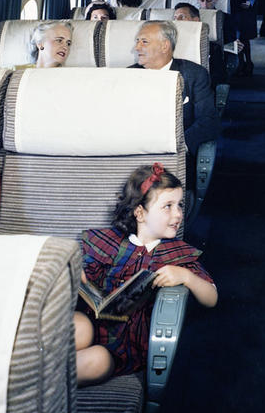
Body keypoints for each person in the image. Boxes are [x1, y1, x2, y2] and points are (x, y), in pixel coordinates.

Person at [74, 162, 217, 385]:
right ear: (140, 213)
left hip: (123, 347)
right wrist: (77, 276)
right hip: (92, 322)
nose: (178, 214)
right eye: (168, 206)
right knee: (79, 326)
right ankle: (30, 368)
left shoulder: (176, 255)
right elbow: (81, 273)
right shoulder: (107, 243)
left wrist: (186, 277)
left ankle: (38, 382)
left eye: (180, 205)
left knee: (98, 360)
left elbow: (212, 297)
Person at [130, 21, 219, 154]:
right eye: (137, 41)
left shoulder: (194, 75)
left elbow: (208, 120)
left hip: (176, 151)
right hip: (135, 149)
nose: (137, 47)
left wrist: (178, 147)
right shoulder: (128, 75)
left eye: (144, 42)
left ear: (164, 46)